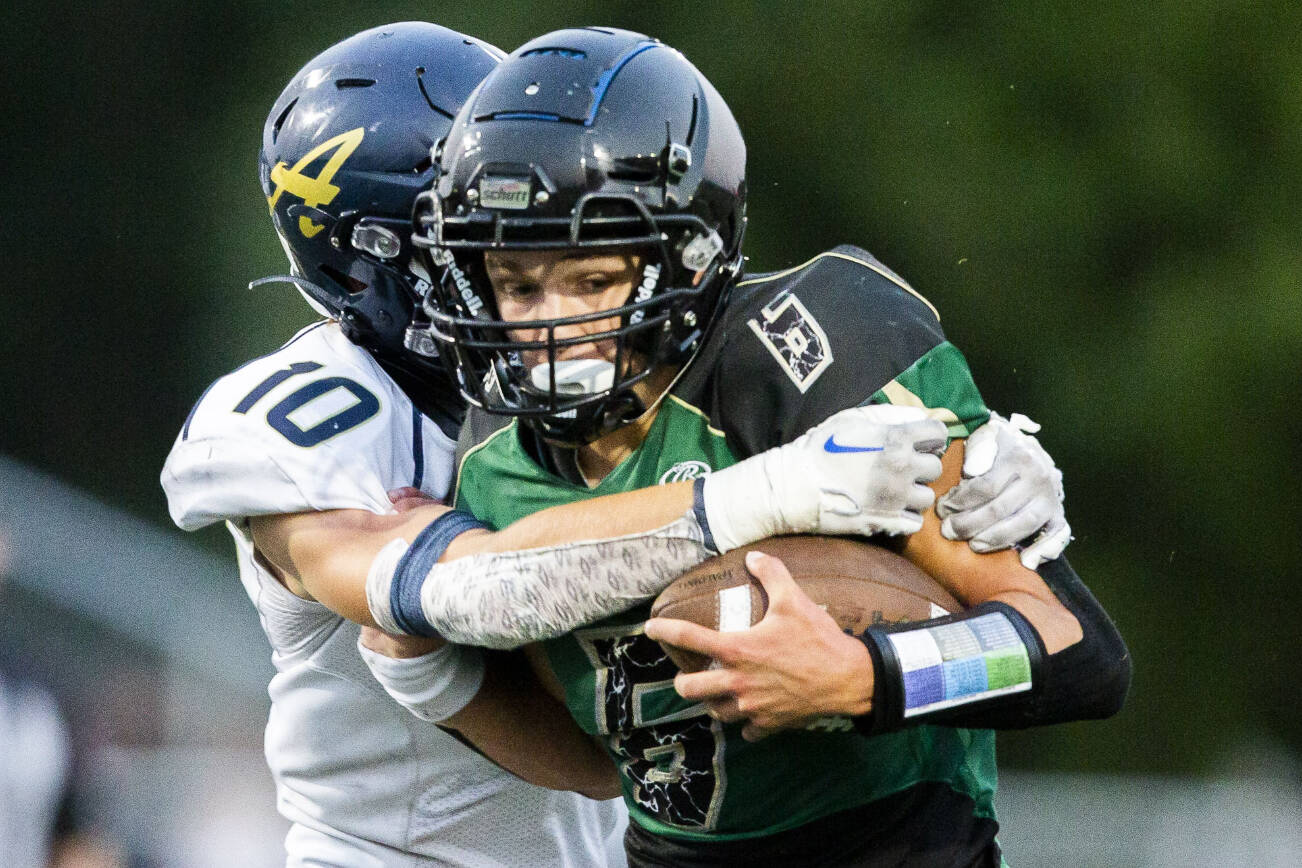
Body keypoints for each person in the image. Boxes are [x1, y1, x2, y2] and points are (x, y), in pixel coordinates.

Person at [162, 21, 1063, 868]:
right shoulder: (294, 422)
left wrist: (955, 455)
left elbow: (616, 750)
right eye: (498, 255)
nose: (550, 274)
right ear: (386, 253)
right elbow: (466, 590)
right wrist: (777, 489)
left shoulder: (590, 390)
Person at [404, 27, 1130, 867]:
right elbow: (592, 762)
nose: (549, 326)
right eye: (517, 284)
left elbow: (1078, 652)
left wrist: (865, 675)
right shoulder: (492, 454)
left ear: (688, 254)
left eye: (592, 279)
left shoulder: (810, 354)